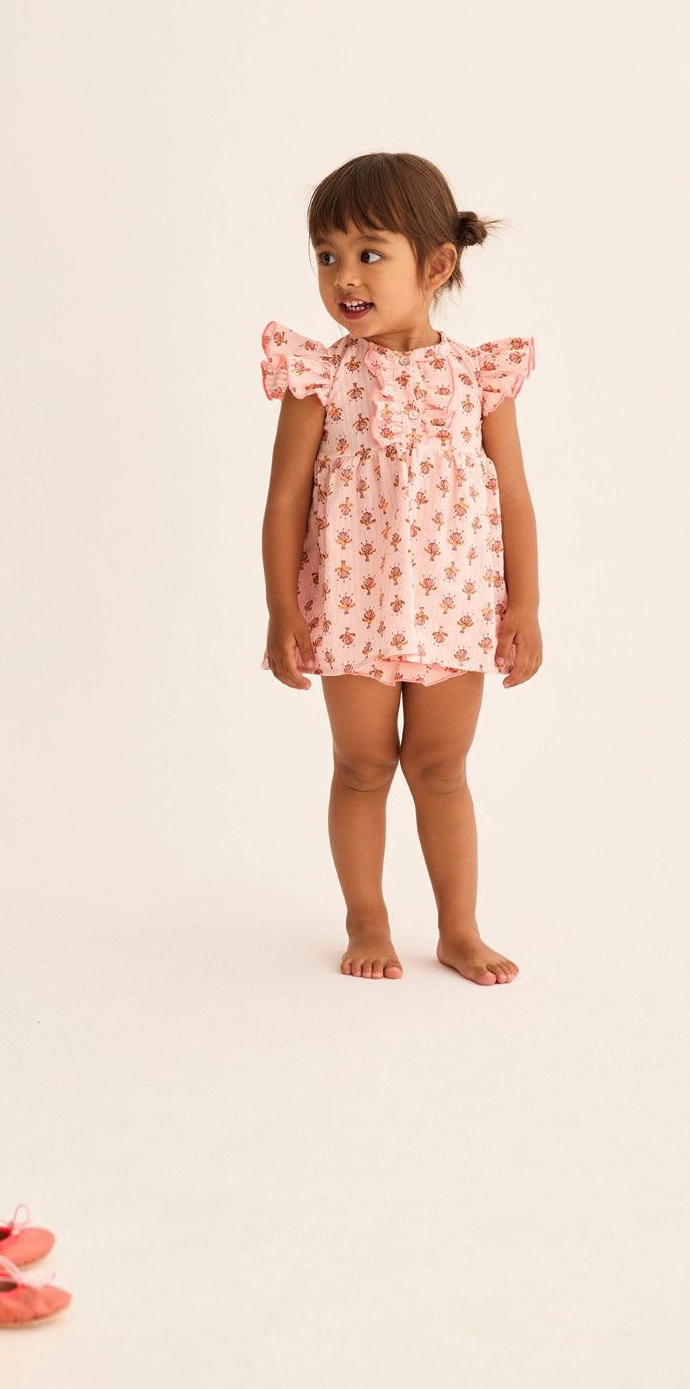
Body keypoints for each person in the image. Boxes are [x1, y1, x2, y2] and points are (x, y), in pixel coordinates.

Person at [259, 152, 540, 986]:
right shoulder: (322, 377)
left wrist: (524, 604)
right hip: (352, 605)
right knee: (362, 766)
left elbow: (515, 497)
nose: (343, 275)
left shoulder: (480, 378)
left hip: (456, 605)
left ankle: (459, 928)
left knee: (442, 770)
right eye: (327, 254)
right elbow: (285, 498)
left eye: (368, 253)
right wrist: (282, 608)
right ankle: (367, 917)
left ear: (436, 265)